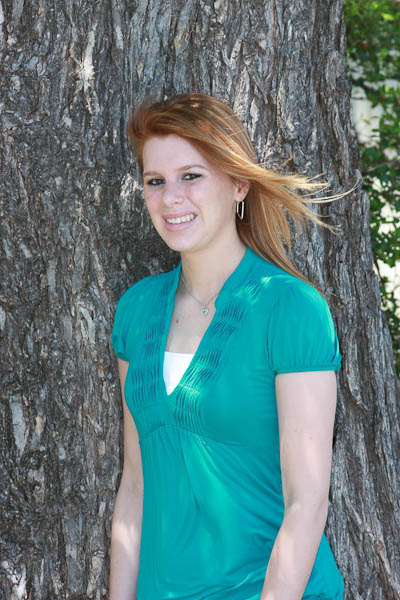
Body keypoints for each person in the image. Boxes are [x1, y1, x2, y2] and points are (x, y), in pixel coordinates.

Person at [109, 92, 345, 600]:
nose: (171, 198)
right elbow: (135, 486)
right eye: (156, 181)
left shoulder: (290, 309)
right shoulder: (137, 310)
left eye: (191, 176)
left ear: (238, 183)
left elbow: (307, 503)